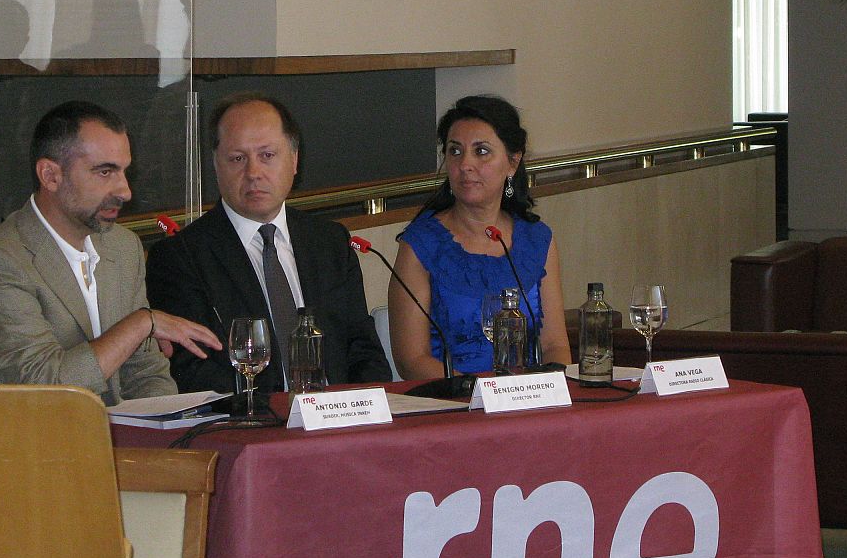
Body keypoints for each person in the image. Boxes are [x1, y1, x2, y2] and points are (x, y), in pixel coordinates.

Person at [0, 100, 220, 403]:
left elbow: (145, 372)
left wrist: (166, 428)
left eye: (124, 172)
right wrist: (141, 323)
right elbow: (47, 386)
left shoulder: (123, 247)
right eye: (105, 172)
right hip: (15, 444)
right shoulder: (0, 262)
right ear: (50, 175)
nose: (125, 191)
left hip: (107, 442)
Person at [146, 92, 391, 394]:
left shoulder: (329, 242)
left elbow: (362, 349)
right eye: (237, 159)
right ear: (216, 165)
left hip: (338, 421)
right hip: (250, 423)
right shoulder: (180, 257)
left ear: (294, 160)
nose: (253, 173)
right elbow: (194, 372)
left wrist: (359, 413)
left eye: (267, 156)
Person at [389, 95, 571, 379]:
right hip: (455, 405)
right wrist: (481, 394)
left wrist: (545, 389)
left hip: (529, 402)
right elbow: (411, 360)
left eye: (481, 152)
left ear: (512, 162)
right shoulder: (421, 245)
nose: (465, 165)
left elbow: (555, 345)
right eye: (455, 151)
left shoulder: (537, 240)